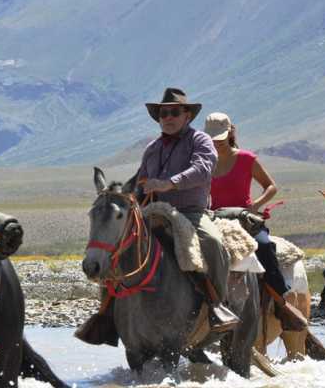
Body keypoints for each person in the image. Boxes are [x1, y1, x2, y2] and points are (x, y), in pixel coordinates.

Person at [77, 88, 241, 346]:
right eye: (164, 113)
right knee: (117, 252)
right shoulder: (152, 149)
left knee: (213, 242)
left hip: (191, 213)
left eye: (174, 112)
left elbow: (202, 169)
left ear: (187, 115)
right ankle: (106, 314)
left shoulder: (200, 141)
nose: (168, 117)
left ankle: (215, 305)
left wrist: (169, 184)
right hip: (152, 213)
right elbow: (142, 182)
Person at [204, 112, 308, 331]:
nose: (217, 143)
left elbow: (271, 186)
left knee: (263, 246)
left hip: (245, 219)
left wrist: (254, 206)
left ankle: (281, 302)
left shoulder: (246, 159)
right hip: (213, 219)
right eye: (213, 139)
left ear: (231, 132)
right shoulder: (204, 161)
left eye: (221, 138)